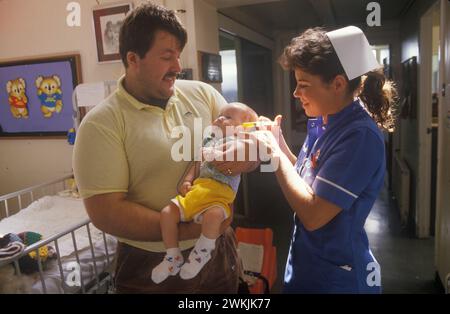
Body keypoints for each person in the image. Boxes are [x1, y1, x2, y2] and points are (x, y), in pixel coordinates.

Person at [73, 3, 257, 293]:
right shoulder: (101, 124)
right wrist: (188, 229)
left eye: (178, 55)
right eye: (167, 57)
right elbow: (106, 212)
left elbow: (249, 138)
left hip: (219, 252)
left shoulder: (204, 95)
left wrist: (249, 159)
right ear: (133, 59)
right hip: (150, 265)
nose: (178, 67)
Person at [245, 26, 397, 293]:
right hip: (307, 265)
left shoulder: (358, 137)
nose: (295, 93)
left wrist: (274, 154)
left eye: (303, 84)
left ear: (338, 84)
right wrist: (279, 143)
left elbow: (313, 214)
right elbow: (308, 181)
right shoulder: (326, 122)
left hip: (336, 278)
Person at [151, 103, 258, 284]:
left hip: (219, 195)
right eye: (220, 115)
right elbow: (197, 163)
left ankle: (202, 253)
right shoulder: (209, 140)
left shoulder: (240, 142)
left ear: (244, 127)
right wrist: (187, 180)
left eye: (228, 117)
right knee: (167, 213)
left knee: (214, 216)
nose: (220, 119)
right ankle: (172, 256)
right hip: (198, 190)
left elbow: (245, 155)